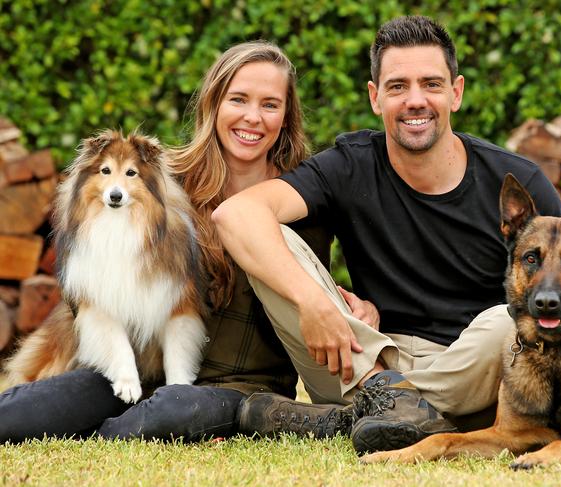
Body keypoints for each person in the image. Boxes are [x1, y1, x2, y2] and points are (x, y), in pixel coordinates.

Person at [212, 16, 561, 454]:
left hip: (472, 367)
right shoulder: (350, 164)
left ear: (455, 92)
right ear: (375, 97)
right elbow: (236, 214)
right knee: (276, 241)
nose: (415, 100)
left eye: (431, 84)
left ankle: (363, 418)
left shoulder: (517, 182)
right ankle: (393, 404)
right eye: (398, 86)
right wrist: (313, 302)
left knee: (507, 320)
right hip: (364, 361)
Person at [0, 41, 330, 443]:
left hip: (235, 388)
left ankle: (102, 433)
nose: (252, 117)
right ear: (213, 104)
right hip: (138, 370)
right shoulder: (163, 181)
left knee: (171, 413)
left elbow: (315, 294)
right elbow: (84, 286)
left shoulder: (303, 199)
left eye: (270, 105)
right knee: (18, 414)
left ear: (286, 116)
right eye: (238, 99)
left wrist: (353, 301)